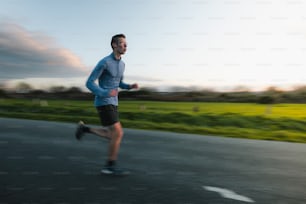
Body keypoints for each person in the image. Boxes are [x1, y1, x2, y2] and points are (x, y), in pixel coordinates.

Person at [75, 34, 138, 175]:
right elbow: (89, 82)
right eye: (122, 43)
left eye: (126, 44)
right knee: (118, 133)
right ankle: (109, 166)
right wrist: (104, 93)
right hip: (103, 102)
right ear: (114, 45)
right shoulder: (104, 62)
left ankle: (85, 129)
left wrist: (129, 87)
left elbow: (119, 83)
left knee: (112, 135)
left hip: (114, 102)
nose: (126, 46)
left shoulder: (122, 64)